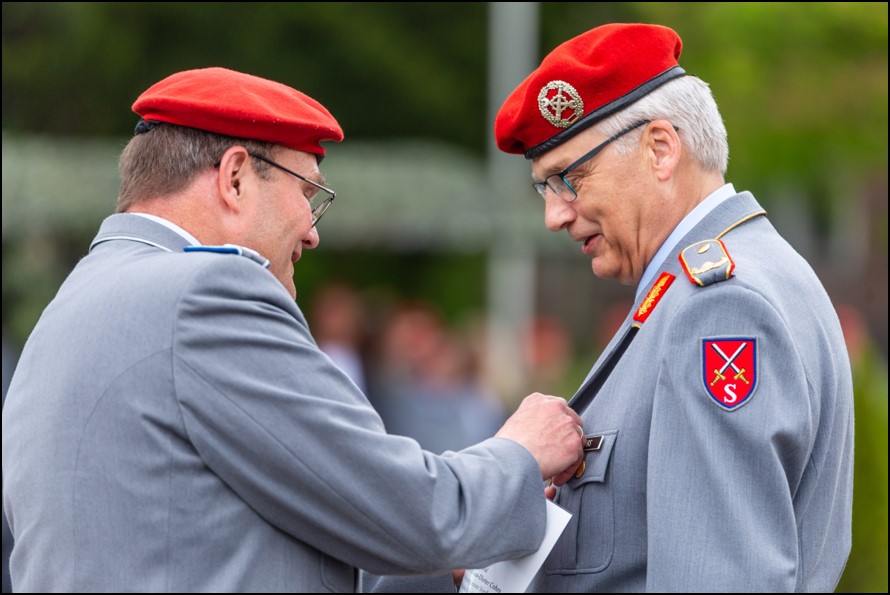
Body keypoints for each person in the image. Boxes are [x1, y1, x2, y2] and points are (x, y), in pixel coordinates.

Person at [0, 67, 586, 592]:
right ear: (234, 177)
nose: (312, 232)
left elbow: (220, 540)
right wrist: (520, 453)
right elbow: (411, 514)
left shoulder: (75, 304)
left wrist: (439, 565)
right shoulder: (207, 291)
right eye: (309, 193)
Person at [371, 22, 855, 593]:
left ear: (660, 149)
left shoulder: (719, 307)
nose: (554, 214)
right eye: (544, 188)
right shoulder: (720, 282)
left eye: (569, 179)